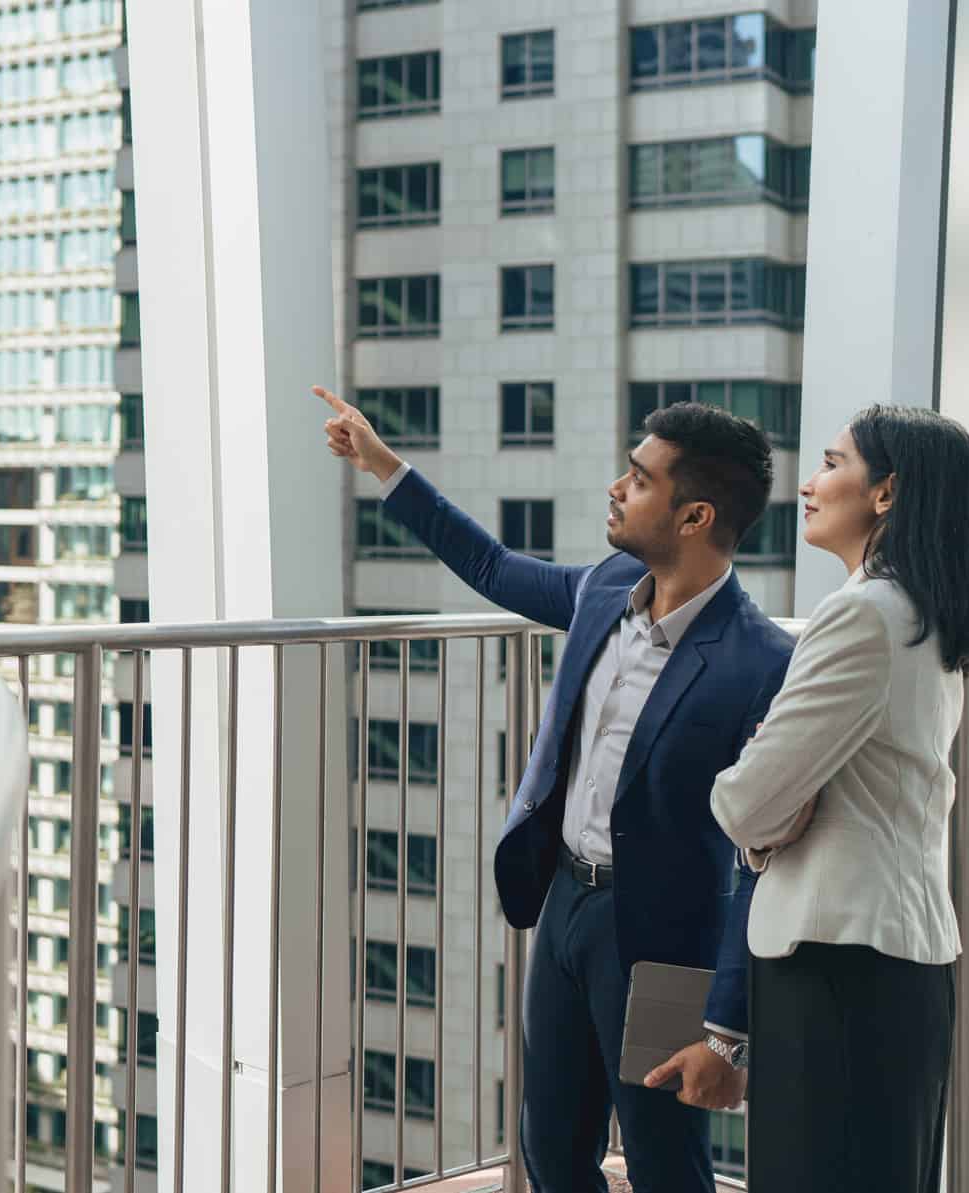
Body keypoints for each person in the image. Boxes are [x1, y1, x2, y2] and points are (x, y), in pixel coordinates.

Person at [317, 386, 792, 1192]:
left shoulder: (759, 662)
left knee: (665, 1158)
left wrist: (728, 1028)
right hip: (566, 901)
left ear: (695, 516)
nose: (617, 487)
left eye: (639, 478)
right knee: (551, 1146)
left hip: (664, 941)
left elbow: (762, 859)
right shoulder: (606, 587)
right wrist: (383, 465)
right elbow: (493, 566)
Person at [697, 405, 969, 1193]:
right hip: (892, 962)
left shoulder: (863, 614)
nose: (809, 483)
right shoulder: (925, 613)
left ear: (886, 492)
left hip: (836, 965)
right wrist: (777, 804)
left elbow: (744, 802)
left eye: (832, 463)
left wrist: (761, 804)